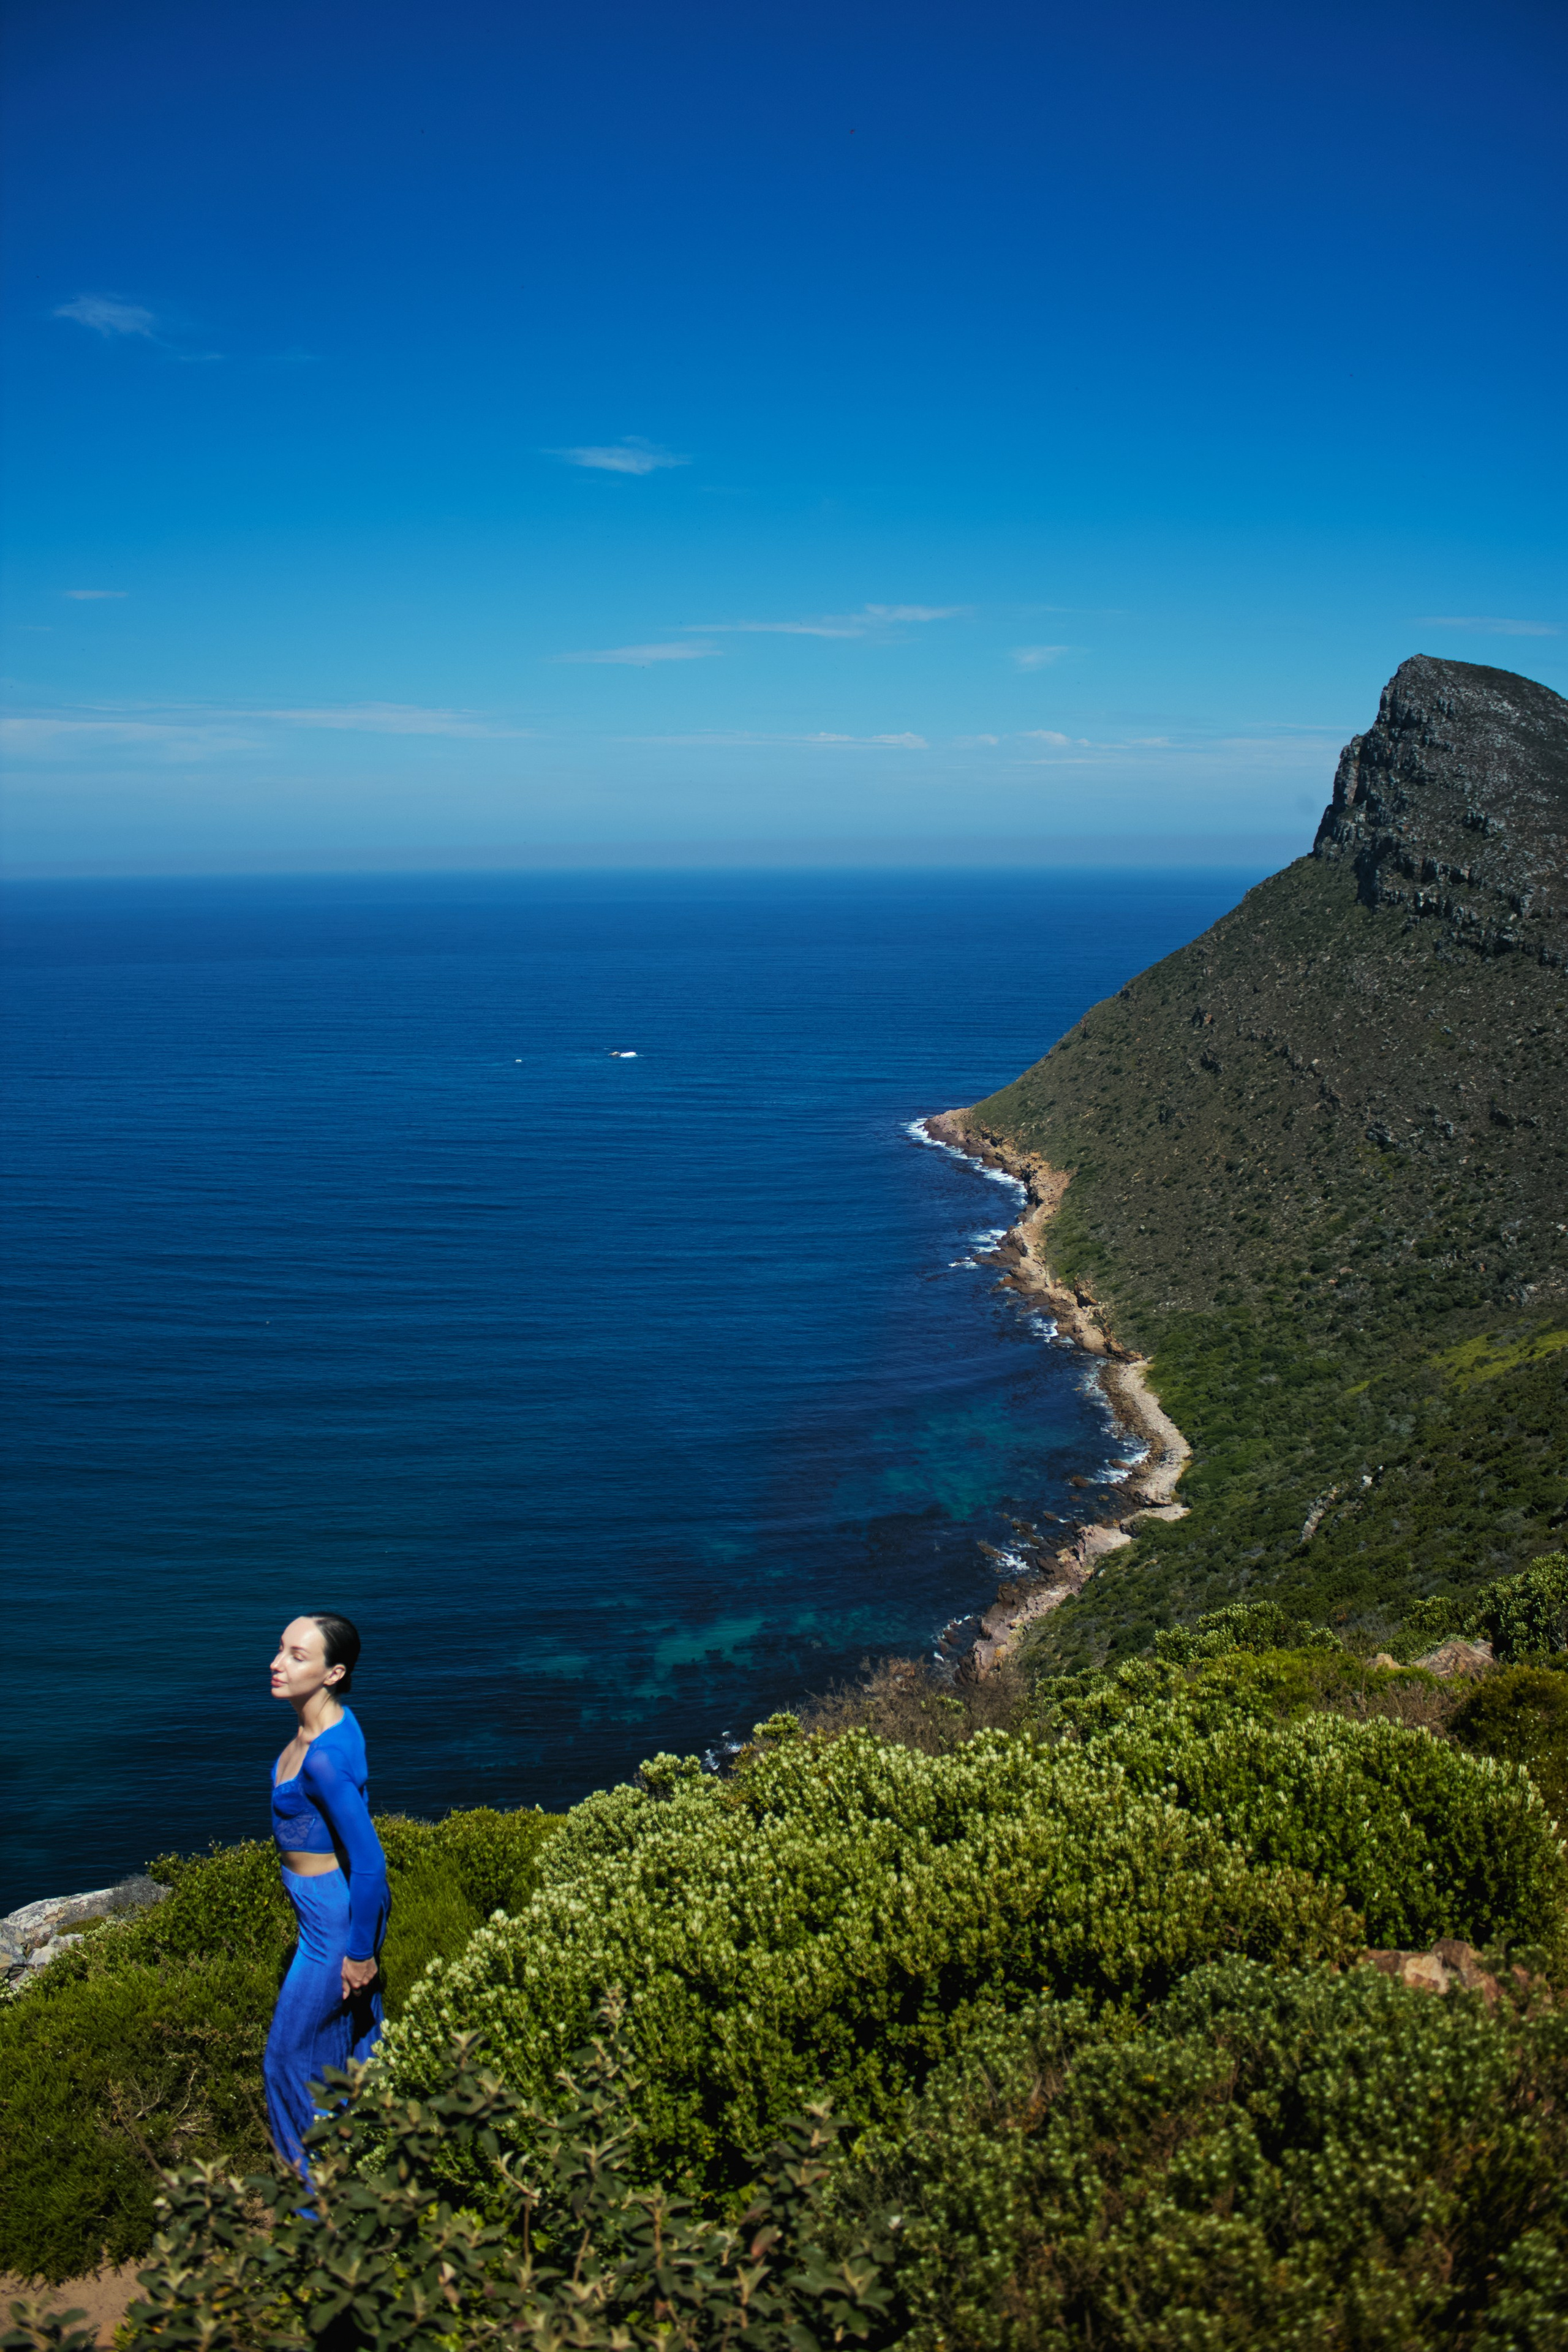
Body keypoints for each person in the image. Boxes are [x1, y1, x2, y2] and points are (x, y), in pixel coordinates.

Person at [262, 1611, 390, 2176]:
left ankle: (314, 2206)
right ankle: (371, 2170)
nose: (277, 1662)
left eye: (297, 1655)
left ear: (334, 1673)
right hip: (324, 1908)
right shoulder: (328, 1726)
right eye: (281, 1649)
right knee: (354, 2048)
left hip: (331, 1925)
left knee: (287, 2059)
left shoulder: (325, 1759)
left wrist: (359, 1952)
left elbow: (370, 1862)